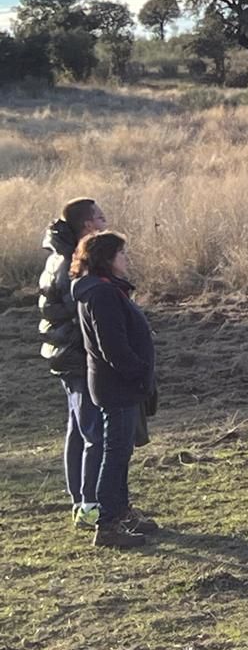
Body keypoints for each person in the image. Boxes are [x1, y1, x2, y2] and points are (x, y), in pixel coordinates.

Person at [70, 231, 158, 549]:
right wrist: (138, 373)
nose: (126, 259)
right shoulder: (102, 294)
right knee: (116, 452)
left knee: (121, 451)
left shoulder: (102, 289)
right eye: (121, 253)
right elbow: (113, 346)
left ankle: (121, 512)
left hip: (117, 384)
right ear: (107, 258)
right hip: (117, 385)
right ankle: (108, 524)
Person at [39, 197, 109, 529]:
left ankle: (78, 499)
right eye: (99, 217)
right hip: (79, 359)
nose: (105, 221)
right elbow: (82, 315)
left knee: (77, 430)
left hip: (65, 358)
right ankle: (91, 504)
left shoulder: (57, 257)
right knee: (93, 432)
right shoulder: (71, 263)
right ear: (85, 225)